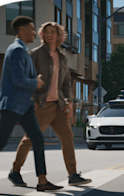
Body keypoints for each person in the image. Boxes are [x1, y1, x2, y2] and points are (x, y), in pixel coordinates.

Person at [0, 16, 62, 192]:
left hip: (24, 105)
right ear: (23, 30)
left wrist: (35, 80)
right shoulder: (16, 50)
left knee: (38, 139)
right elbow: (18, 79)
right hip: (12, 104)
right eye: (32, 29)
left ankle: (42, 180)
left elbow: (23, 77)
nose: (35, 33)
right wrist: (36, 83)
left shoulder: (22, 50)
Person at [8, 22, 92, 187]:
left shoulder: (61, 57)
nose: (49, 35)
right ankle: (15, 171)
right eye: (46, 32)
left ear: (59, 35)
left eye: (53, 32)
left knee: (67, 138)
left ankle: (73, 175)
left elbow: (67, 82)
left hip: (58, 105)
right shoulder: (35, 54)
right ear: (42, 35)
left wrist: (69, 102)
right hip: (41, 105)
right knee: (29, 140)